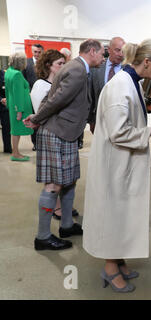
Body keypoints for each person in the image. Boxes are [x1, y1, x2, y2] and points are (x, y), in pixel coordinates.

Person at [82, 38, 151, 293]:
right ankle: (110, 269)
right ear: (147, 62)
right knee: (114, 214)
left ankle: (119, 260)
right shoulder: (120, 87)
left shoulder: (131, 81)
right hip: (114, 166)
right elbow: (118, 132)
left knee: (121, 213)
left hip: (122, 163)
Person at [23, 39, 105, 251]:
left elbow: (55, 97)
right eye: (102, 54)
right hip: (57, 132)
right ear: (93, 51)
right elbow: (56, 100)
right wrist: (38, 118)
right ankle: (42, 237)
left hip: (66, 133)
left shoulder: (78, 68)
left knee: (69, 182)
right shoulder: (77, 69)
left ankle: (66, 225)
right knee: (53, 186)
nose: (103, 59)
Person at [30, 49, 79, 221]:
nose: (63, 66)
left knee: (64, 179)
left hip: (63, 134)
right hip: (51, 134)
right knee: (53, 181)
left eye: (64, 63)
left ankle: (63, 216)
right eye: (60, 63)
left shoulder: (57, 85)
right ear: (49, 66)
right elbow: (41, 113)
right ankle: (55, 210)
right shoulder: (41, 86)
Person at [87, 37, 126, 134]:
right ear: (108, 50)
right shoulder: (96, 68)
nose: (121, 54)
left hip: (122, 121)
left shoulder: (128, 69)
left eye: (123, 51)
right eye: (117, 50)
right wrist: (91, 120)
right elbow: (91, 95)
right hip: (100, 119)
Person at [4, 52, 34, 161]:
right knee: (16, 131)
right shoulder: (17, 74)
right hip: (19, 106)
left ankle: (15, 152)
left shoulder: (9, 72)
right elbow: (18, 94)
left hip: (13, 104)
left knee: (15, 130)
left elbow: (7, 90)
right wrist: (19, 110)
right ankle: (15, 154)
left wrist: (8, 102)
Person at [23, 43, 44, 151]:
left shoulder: (46, 63)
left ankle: (43, 142)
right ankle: (35, 143)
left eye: (39, 52)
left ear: (42, 52)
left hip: (44, 97)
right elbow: (23, 78)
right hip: (31, 97)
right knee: (34, 119)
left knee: (44, 119)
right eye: (35, 52)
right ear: (32, 51)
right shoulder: (27, 63)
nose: (37, 54)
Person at [0, 69, 12, 153]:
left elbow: (8, 88)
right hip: (1, 101)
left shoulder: (4, 73)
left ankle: (7, 148)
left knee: (7, 127)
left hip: (4, 105)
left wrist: (7, 98)